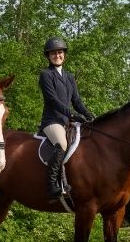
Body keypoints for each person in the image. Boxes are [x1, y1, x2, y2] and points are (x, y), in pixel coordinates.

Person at [38, 37, 94, 199]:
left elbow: (76, 100)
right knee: (62, 144)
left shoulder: (69, 77)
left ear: (64, 55)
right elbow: (53, 100)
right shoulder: (46, 75)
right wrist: (71, 114)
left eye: (60, 52)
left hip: (67, 122)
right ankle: (52, 186)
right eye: (53, 53)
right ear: (48, 56)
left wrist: (87, 114)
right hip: (52, 121)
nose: (57, 55)